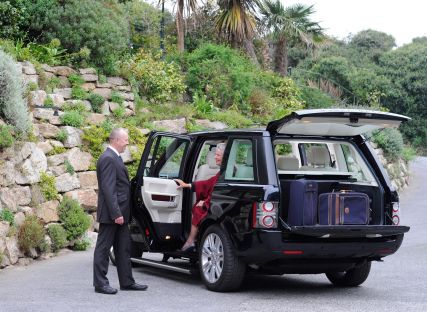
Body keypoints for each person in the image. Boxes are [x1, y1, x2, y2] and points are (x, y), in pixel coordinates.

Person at [93, 128, 148, 295]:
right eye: (125, 140)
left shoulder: (114, 157)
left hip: (121, 214)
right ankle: (100, 284)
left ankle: (127, 282)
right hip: (113, 214)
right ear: (116, 140)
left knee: (123, 248)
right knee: (103, 249)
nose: (127, 143)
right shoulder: (108, 159)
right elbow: (108, 190)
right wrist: (116, 213)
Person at [174, 142, 226, 251]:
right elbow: (208, 184)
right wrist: (187, 185)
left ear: (225, 155)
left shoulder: (226, 172)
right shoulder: (224, 170)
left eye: (217, 155)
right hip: (217, 200)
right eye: (215, 154)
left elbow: (219, 190)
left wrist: (207, 200)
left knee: (198, 208)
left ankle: (191, 240)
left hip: (218, 203)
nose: (215, 157)